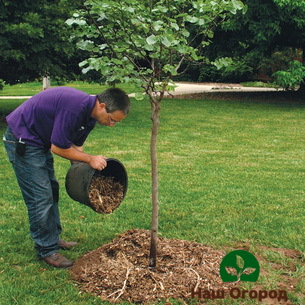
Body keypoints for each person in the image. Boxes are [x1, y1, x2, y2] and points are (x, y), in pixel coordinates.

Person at [3, 86, 131, 268]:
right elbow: (58, 148)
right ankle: (46, 249)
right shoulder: (74, 108)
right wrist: (90, 159)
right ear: (102, 106)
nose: (112, 125)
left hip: (39, 141)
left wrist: (87, 176)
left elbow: (75, 147)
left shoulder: (91, 116)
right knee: (40, 195)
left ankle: (52, 238)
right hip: (23, 140)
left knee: (51, 190)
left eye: (116, 122)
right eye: (111, 120)